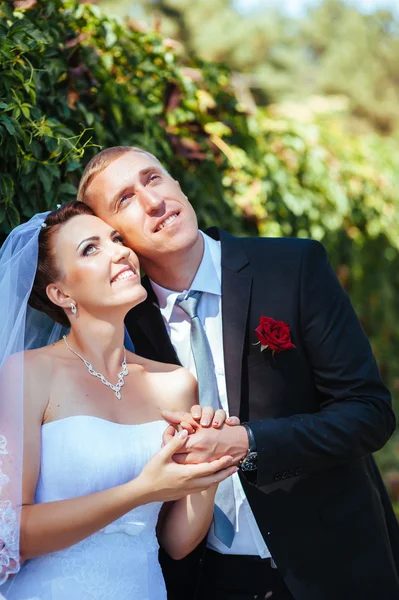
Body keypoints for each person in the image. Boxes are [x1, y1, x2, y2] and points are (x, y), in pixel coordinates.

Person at [77, 145, 399, 600]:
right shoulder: (124, 324)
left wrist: (248, 442)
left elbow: (369, 413)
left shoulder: (293, 267)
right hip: (212, 580)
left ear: (177, 183)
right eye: (125, 200)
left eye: (153, 179)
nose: (153, 201)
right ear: (114, 237)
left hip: (333, 567)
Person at [0, 201, 240, 599]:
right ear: (61, 293)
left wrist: (210, 469)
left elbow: (176, 542)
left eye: (115, 239)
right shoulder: (27, 373)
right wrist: (142, 489)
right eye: (90, 249)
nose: (120, 252)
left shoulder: (176, 383)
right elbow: (12, 533)